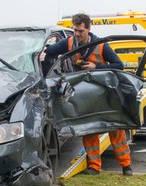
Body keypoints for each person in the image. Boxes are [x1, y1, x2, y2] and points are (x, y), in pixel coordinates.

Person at [44, 13, 133, 176]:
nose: (77, 34)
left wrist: (96, 67)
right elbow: (51, 51)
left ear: (88, 29)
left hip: (104, 92)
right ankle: (94, 167)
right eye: (75, 30)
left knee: (114, 128)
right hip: (85, 94)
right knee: (89, 128)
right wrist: (44, 52)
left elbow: (119, 65)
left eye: (80, 31)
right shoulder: (70, 42)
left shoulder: (102, 45)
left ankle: (126, 165)